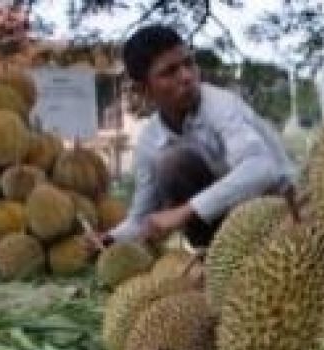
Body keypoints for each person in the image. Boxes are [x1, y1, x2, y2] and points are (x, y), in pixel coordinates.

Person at [96, 24, 298, 250]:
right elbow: (143, 217)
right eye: (169, 72)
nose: (187, 77)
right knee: (170, 164)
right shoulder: (149, 141)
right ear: (144, 90)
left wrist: (184, 212)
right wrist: (109, 239)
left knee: (173, 162)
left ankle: (233, 254)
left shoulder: (221, 105)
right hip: (228, 226)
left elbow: (261, 168)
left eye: (188, 63)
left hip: (284, 209)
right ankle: (210, 254)